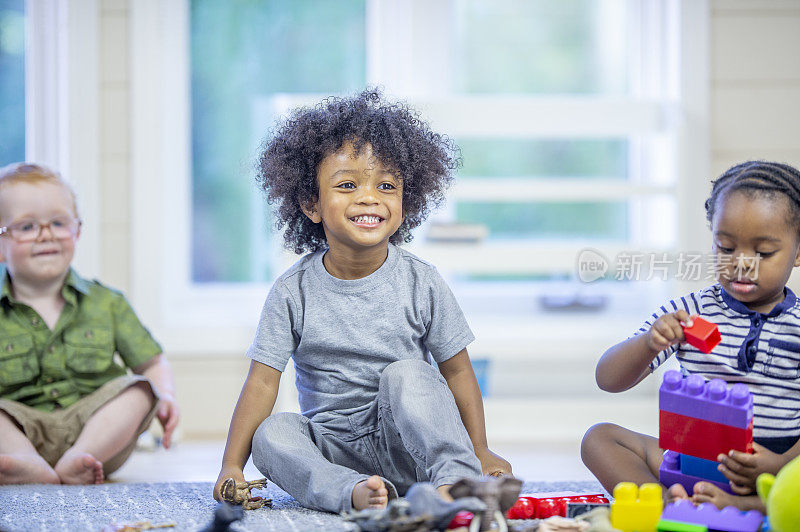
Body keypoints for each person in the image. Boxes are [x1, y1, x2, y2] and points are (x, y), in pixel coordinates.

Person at [212, 89, 511, 514]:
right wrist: (230, 465)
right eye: (348, 184)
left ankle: (456, 479)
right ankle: (351, 491)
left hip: (409, 445)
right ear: (310, 203)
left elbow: (458, 370)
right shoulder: (291, 291)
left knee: (409, 374)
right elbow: (262, 381)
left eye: (386, 185)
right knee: (272, 434)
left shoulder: (420, 281)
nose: (369, 197)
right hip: (332, 446)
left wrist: (479, 448)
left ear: (406, 202)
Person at [581, 160, 800, 512]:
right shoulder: (688, 311)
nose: (741, 263)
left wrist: (779, 463)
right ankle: (668, 500)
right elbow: (608, 379)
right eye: (726, 247)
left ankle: (750, 505)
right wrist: (649, 342)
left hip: (773, 471)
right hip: (690, 461)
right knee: (599, 438)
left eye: (762, 252)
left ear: (798, 251)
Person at [0, 162, 179, 485]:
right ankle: (25, 461)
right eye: (26, 227)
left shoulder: (107, 302)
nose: (46, 235)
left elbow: (152, 362)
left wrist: (165, 395)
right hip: (18, 428)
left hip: (96, 433)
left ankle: (78, 460)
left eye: (58, 222)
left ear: (77, 230)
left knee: (140, 389)